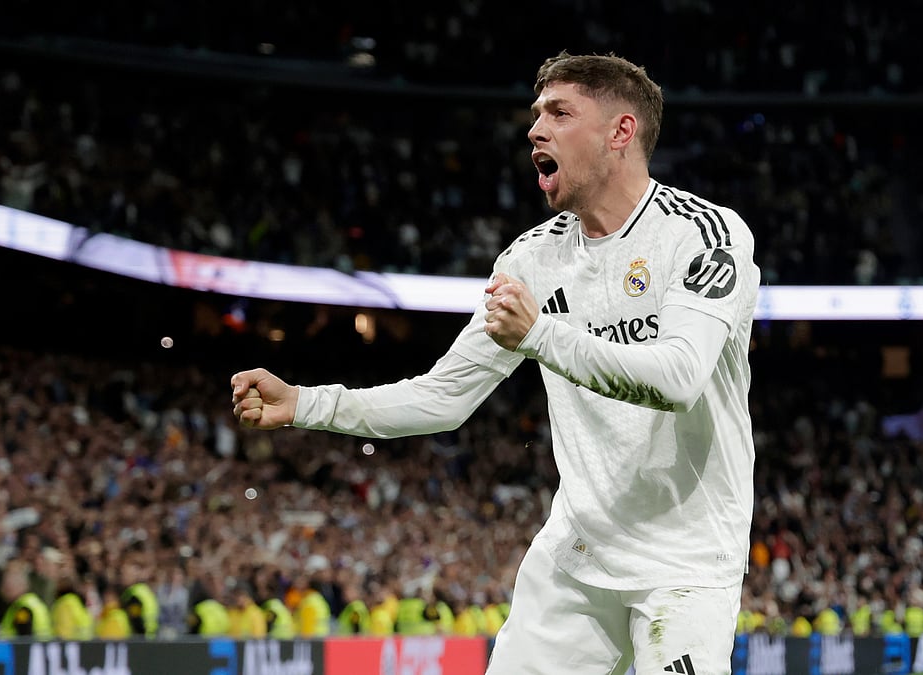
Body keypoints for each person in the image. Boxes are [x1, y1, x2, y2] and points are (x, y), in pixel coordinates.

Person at [231, 51, 759, 674]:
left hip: (685, 565)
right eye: (536, 114)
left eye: (560, 113)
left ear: (621, 132)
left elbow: (677, 378)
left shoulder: (703, 233)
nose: (535, 129)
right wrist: (308, 403)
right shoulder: (530, 259)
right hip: (579, 555)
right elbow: (445, 396)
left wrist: (540, 333)